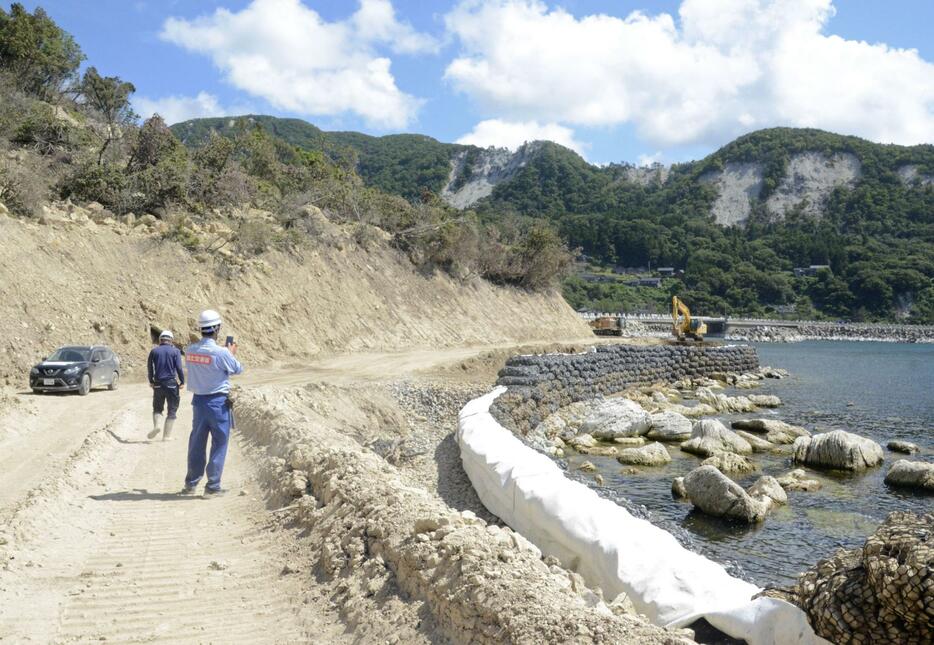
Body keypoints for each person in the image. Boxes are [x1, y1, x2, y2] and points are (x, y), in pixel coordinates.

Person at [181, 309, 242, 496]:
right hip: (217, 403)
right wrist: (230, 353)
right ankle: (212, 486)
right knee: (220, 442)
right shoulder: (221, 352)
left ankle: (191, 484)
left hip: (198, 402)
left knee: (197, 443)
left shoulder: (190, 351)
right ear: (216, 329)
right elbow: (238, 369)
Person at [147, 329, 185, 441]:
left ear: (160, 340)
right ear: (171, 340)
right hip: (172, 384)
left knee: (157, 408)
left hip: (158, 384)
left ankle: (156, 426)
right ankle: (166, 436)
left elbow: (150, 368)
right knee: (172, 409)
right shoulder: (176, 351)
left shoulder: (154, 351)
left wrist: (151, 381)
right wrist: (182, 381)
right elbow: (179, 368)